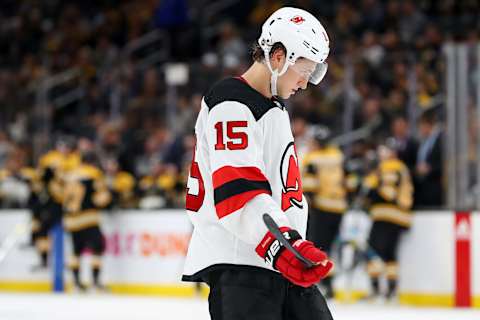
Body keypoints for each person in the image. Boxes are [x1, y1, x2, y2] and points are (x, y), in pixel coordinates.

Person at [182, 7, 334, 320]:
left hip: (276, 259)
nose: (305, 84)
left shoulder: (271, 106)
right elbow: (238, 190)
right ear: (278, 57)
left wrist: (288, 245)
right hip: (246, 266)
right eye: (303, 72)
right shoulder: (232, 102)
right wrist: (281, 244)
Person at [363, 139, 413, 302]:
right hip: (397, 216)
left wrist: (372, 181)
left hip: (387, 215)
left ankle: (376, 289)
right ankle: (391, 291)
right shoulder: (398, 167)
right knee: (390, 254)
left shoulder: (391, 167)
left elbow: (387, 194)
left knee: (373, 252)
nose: (381, 153)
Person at [302, 126, 347, 299]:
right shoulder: (338, 156)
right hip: (339, 207)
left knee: (317, 247)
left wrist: (308, 203)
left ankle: (321, 282)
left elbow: (310, 185)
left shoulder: (313, 158)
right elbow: (347, 180)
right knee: (328, 248)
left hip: (321, 207)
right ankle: (328, 283)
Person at [63, 151, 111, 291]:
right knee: (98, 247)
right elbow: (101, 197)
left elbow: (62, 196)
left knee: (76, 250)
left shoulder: (70, 174)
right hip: (88, 217)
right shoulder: (93, 173)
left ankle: (77, 283)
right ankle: (96, 282)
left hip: (71, 219)